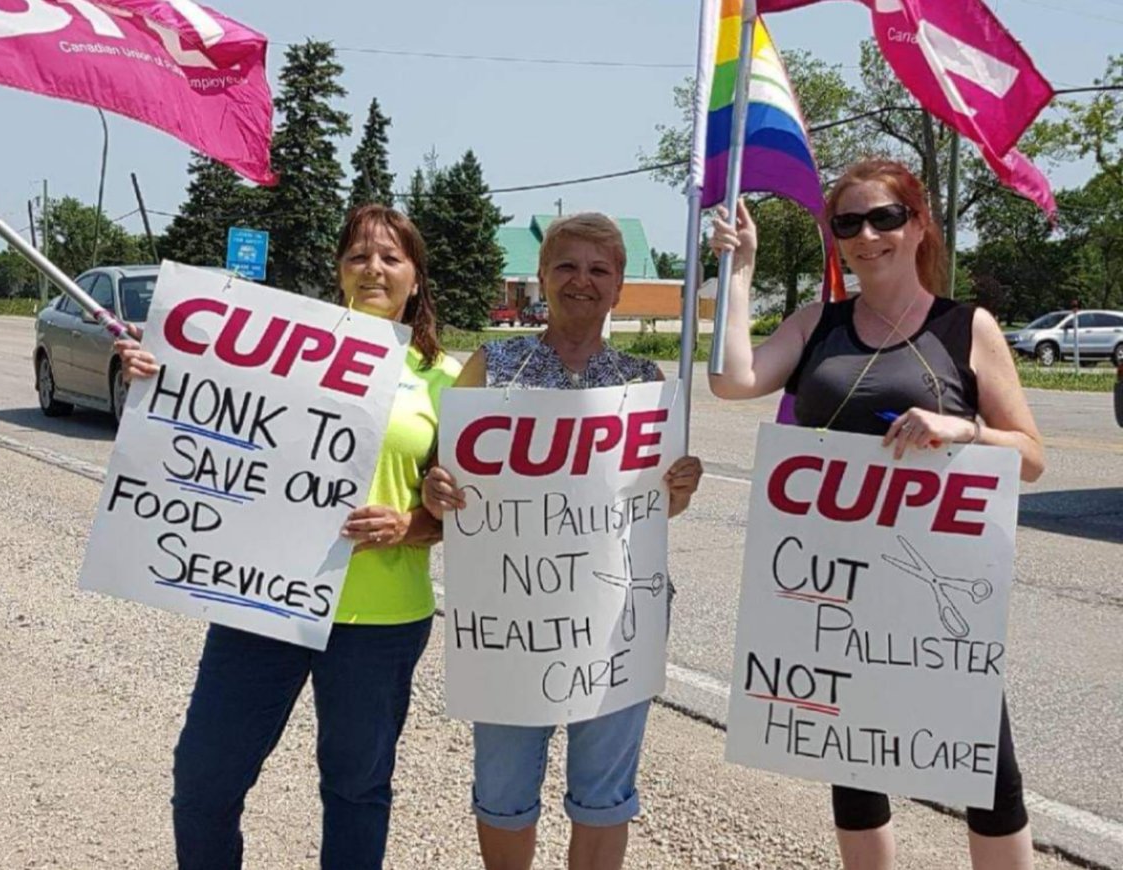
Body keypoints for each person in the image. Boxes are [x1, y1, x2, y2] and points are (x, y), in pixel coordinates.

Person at [707, 158, 1044, 870]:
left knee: (986, 771)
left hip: (939, 593)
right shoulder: (818, 324)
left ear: (918, 226)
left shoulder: (966, 327)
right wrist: (740, 270)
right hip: (838, 588)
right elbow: (734, 380)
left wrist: (964, 430)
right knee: (854, 767)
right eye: (848, 223)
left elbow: (1032, 456)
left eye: (885, 218)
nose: (867, 235)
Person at [116, 205, 462, 870]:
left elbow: (457, 511)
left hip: (379, 620)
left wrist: (407, 525)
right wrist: (154, 375)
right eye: (358, 256)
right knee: (204, 781)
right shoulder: (284, 351)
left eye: (390, 258)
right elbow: (202, 407)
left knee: (357, 789)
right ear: (339, 270)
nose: (373, 269)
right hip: (260, 601)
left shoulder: (445, 378)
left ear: (416, 277)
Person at [422, 212, 704, 870]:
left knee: (605, 794)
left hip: (617, 623)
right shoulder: (493, 366)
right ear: (543, 277)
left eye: (599, 269)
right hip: (511, 621)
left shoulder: (643, 382)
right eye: (567, 266)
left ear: (619, 287)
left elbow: (660, 508)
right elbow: (442, 476)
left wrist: (681, 486)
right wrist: (436, 489)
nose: (583, 280)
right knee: (503, 790)